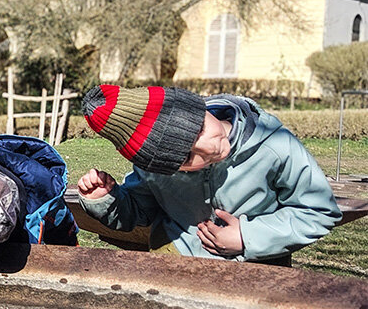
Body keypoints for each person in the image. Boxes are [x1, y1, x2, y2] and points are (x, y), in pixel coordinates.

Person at [76, 85, 340, 262]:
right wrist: (106, 201)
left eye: (200, 129)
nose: (209, 147)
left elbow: (319, 211)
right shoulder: (154, 168)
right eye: (188, 158)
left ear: (201, 108)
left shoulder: (275, 145)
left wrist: (248, 238)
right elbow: (139, 211)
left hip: (261, 273)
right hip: (173, 267)